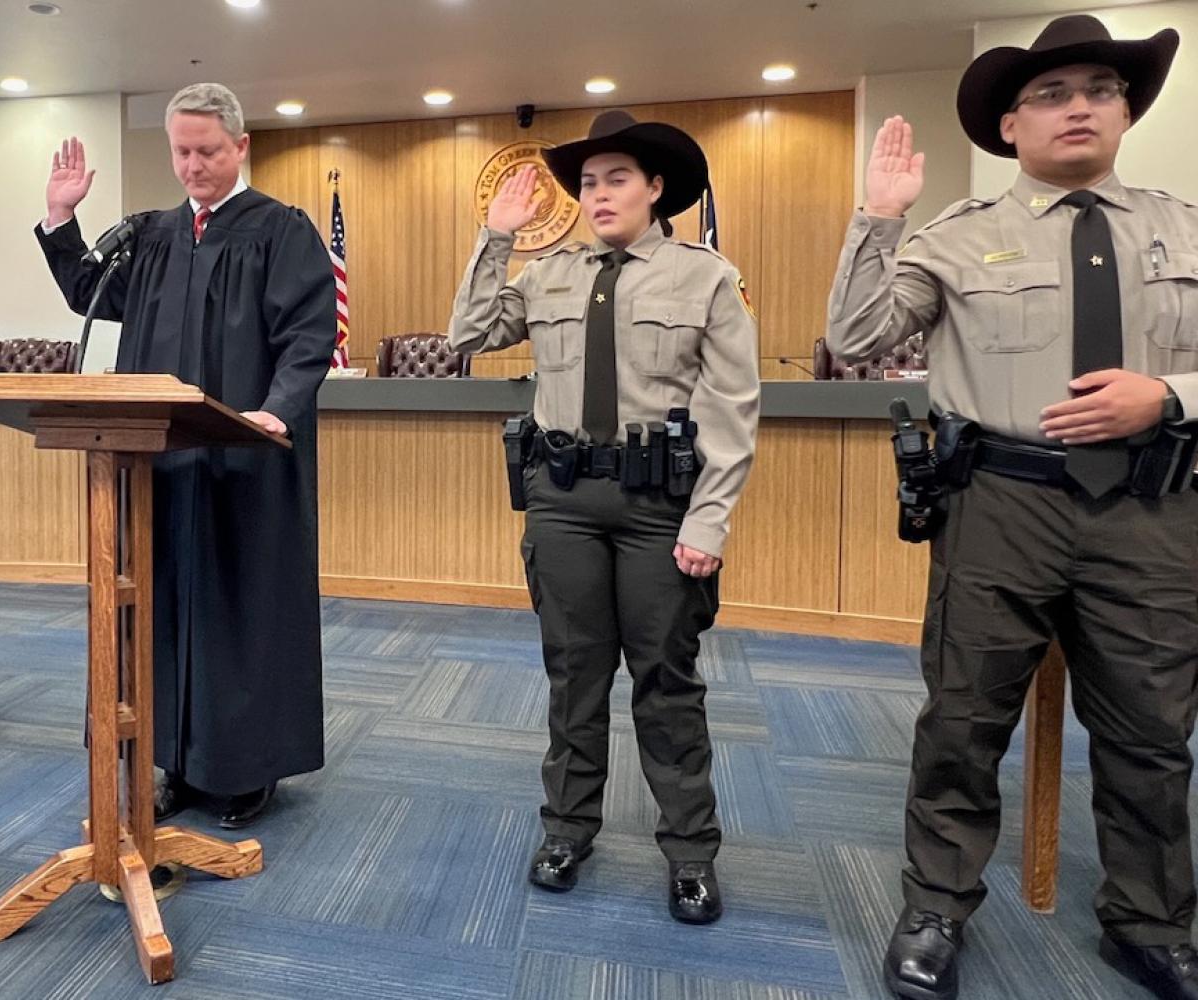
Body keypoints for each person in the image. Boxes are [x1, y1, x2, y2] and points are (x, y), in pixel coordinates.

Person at [827, 15, 1198, 1000]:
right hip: (1001, 504)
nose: (1077, 105)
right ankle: (935, 907)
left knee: (1153, 728)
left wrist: (1169, 397)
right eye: (1050, 92)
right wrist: (878, 218)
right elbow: (856, 334)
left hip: (1152, 510)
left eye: (1099, 89)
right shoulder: (957, 234)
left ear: (1124, 112)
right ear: (1008, 122)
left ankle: (1149, 922)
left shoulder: (1184, 225)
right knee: (961, 716)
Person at [448, 110, 759, 923]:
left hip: (661, 507)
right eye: (587, 182)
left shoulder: (705, 277)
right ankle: (566, 829)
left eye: (616, 177)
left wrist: (710, 519)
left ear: (656, 189)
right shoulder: (548, 273)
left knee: (666, 683)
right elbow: (469, 333)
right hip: (562, 500)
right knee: (574, 674)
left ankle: (690, 852)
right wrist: (496, 237)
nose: (598, 194)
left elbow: (733, 408)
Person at [36, 83, 336, 828]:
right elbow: (89, 293)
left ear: (240, 147)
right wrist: (61, 218)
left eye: (207, 150)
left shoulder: (280, 230)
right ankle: (169, 757)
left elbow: (309, 335)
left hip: (245, 459)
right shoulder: (154, 234)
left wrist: (275, 411)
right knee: (159, 606)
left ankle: (244, 770)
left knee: (242, 606)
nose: (193, 165)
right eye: (181, 151)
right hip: (160, 464)